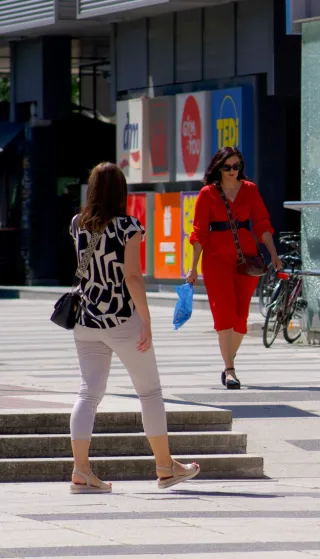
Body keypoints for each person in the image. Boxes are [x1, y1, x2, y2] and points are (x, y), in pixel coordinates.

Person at [69, 162, 200, 493]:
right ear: (121, 191)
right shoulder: (128, 227)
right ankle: (165, 467)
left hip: (86, 321)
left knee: (89, 392)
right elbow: (132, 277)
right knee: (150, 392)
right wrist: (146, 320)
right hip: (121, 319)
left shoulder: (77, 224)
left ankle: (82, 471)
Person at [187, 147, 282, 389]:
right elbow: (199, 233)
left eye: (236, 166)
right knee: (224, 312)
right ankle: (230, 369)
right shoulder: (207, 193)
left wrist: (273, 253)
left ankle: (228, 359)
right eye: (227, 167)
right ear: (218, 168)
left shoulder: (249, 189)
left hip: (246, 259)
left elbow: (262, 222)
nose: (232, 171)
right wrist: (192, 267)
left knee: (241, 316)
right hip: (216, 259)